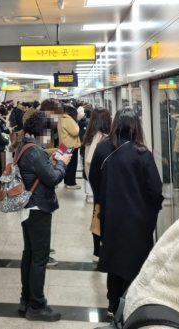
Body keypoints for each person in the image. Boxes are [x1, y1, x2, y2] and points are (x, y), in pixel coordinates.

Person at [89, 108, 164, 317]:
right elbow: (155, 190)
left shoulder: (103, 148)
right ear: (136, 127)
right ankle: (130, 305)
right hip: (139, 219)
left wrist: (103, 199)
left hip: (111, 215)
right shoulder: (142, 153)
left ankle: (113, 305)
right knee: (136, 262)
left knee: (114, 259)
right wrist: (152, 210)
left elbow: (94, 178)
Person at [16, 111, 71, 322]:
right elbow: (53, 177)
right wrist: (63, 161)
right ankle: (37, 305)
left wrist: (53, 159)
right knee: (39, 257)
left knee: (29, 254)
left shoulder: (24, 145)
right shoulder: (36, 151)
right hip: (38, 207)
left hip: (27, 207)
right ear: (44, 131)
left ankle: (26, 299)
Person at [83, 108, 112, 263]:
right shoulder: (101, 138)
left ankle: (97, 250)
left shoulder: (90, 135)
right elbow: (90, 160)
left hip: (95, 183)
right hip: (102, 183)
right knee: (101, 215)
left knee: (97, 214)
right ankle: (99, 250)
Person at [58, 105, 81, 189]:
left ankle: (67, 181)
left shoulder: (61, 119)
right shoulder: (69, 120)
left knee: (66, 165)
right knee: (72, 165)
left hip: (64, 145)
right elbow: (75, 132)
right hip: (70, 146)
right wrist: (77, 126)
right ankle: (71, 183)